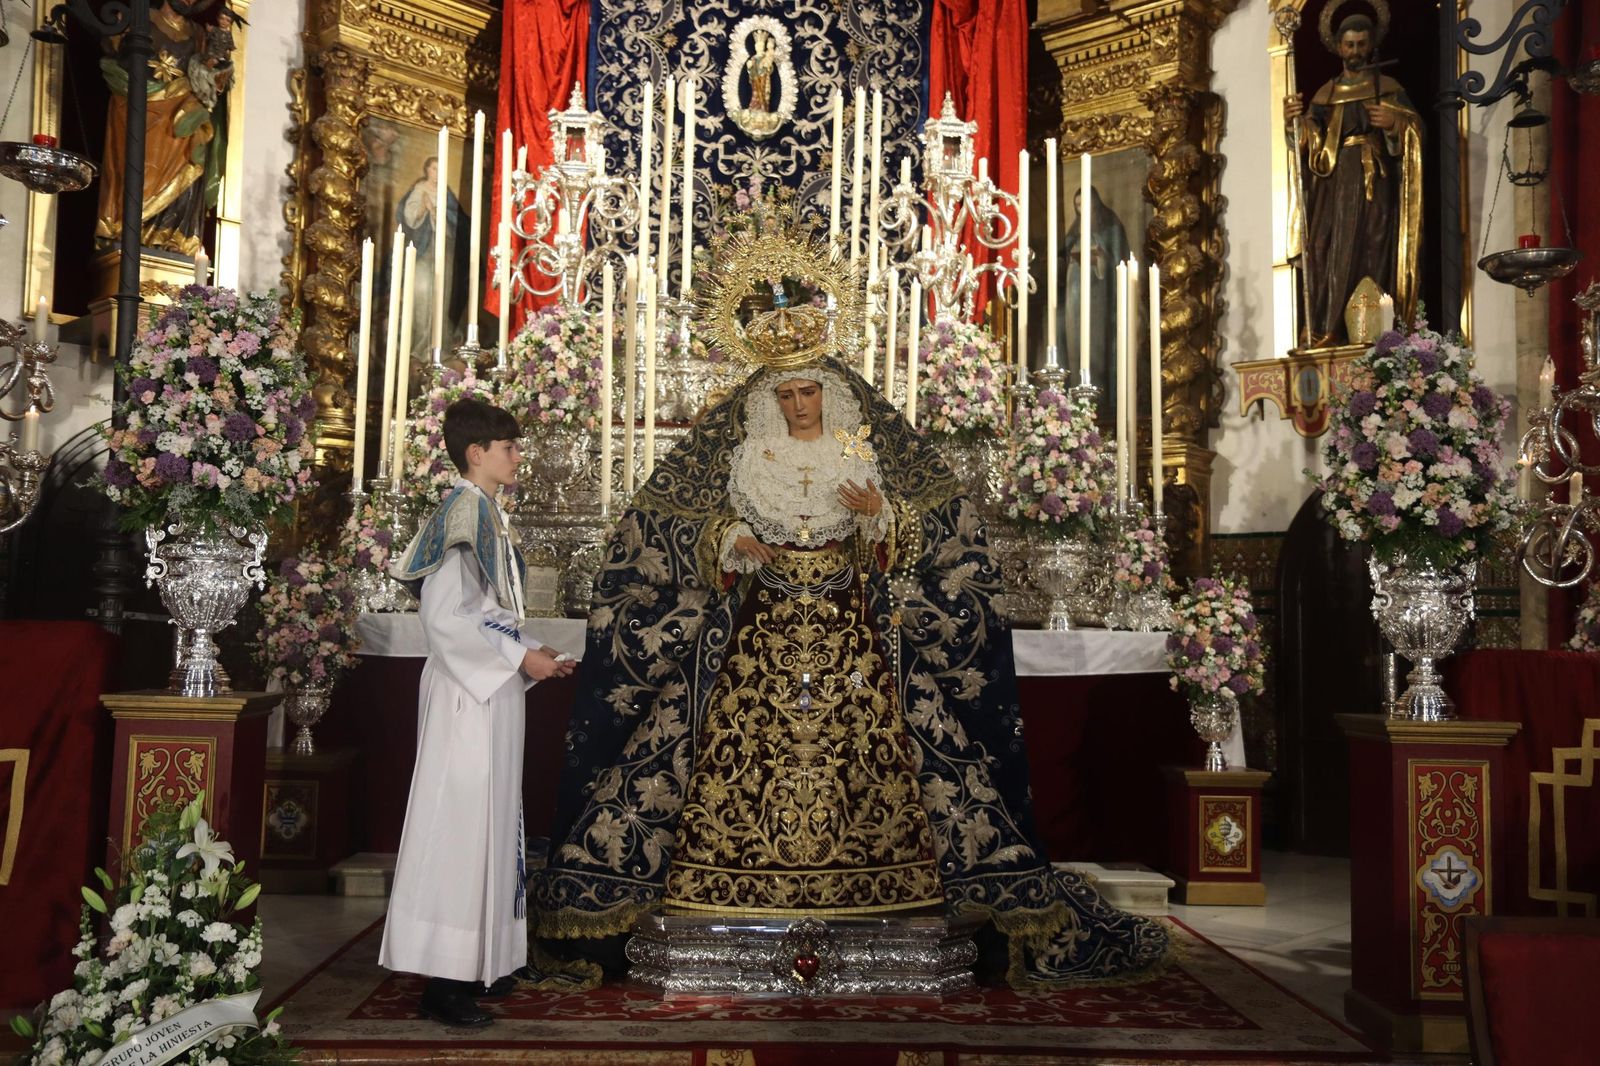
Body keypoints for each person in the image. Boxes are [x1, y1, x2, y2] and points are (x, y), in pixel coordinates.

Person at [529, 333, 1168, 986]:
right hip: (760, 633)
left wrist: (881, 518)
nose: (798, 405)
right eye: (786, 394)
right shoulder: (750, 455)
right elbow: (693, 525)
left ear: (827, 396)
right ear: (769, 401)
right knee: (718, 746)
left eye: (808, 392)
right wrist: (731, 537)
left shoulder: (857, 453)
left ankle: (884, 889)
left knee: (900, 746)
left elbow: (910, 543)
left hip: (850, 631)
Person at [384, 397, 576, 1026]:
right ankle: (441, 979)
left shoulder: (486, 510)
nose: (519, 457)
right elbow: (445, 617)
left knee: (490, 821)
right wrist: (520, 662)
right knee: (459, 824)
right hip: (468, 693)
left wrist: (529, 647)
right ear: (477, 453)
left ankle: (480, 961)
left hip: (487, 689)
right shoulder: (462, 513)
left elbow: (487, 611)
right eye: (510, 448)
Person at [1284, 11, 1422, 348]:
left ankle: (1374, 333)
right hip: (1333, 187)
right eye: (1349, 45)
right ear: (1338, 48)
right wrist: (1295, 124)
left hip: (1375, 181)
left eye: (1362, 44)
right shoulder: (1325, 94)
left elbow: (1416, 133)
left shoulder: (1388, 88)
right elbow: (1309, 143)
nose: (1356, 51)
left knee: (1372, 250)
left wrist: (1394, 124)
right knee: (1325, 249)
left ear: (1372, 44)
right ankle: (1324, 327)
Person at [1062, 185, 1129, 389]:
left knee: (1095, 343)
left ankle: (1098, 390)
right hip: (1074, 293)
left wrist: (1101, 257)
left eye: (1085, 203)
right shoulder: (1074, 231)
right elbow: (1062, 258)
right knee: (1076, 342)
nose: (1082, 209)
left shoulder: (1111, 228)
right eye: (1078, 205)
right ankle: (1076, 388)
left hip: (1098, 295)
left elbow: (1119, 262)